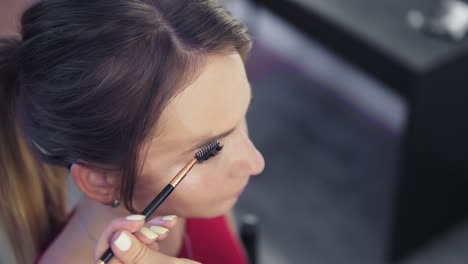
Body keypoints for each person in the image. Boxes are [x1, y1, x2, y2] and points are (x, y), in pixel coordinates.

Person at [0, 0, 265, 263]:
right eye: (209, 153)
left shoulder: (201, 202)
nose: (256, 163)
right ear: (101, 181)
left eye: (243, 115)